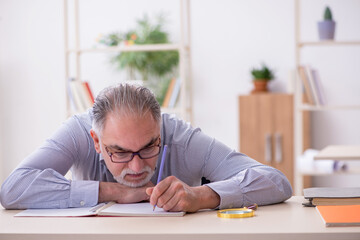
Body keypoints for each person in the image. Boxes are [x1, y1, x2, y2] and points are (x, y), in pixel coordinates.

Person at [0, 83, 292, 211]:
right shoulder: (77, 131)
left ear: (160, 131)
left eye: (149, 147)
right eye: (121, 152)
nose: (137, 167)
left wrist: (201, 196)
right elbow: (13, 188)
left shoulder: (180, 136)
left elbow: (276, 181)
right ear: (96, 142)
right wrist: (115, 191)